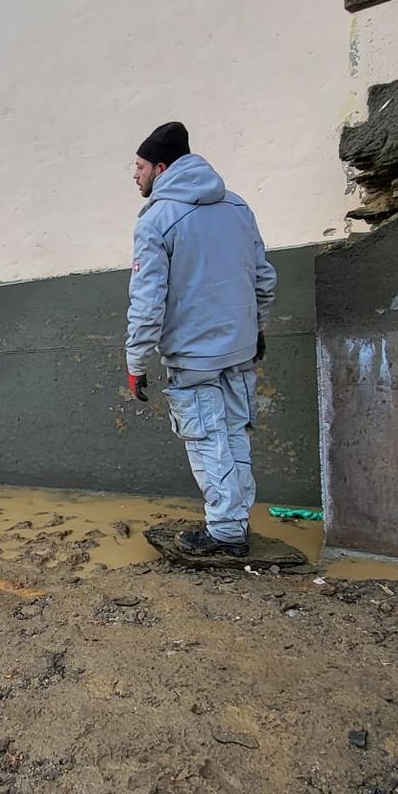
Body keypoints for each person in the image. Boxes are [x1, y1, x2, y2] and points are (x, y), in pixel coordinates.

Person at [124, 121, 277, 559]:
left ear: (161, 166)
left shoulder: (156, 220)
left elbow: (147, 301)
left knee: (208, 440)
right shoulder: (237, 206)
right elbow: (264, 277)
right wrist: (259, 327)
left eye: (138, 167)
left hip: (194, 357)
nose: (134, 175)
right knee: (233, 434)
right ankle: (235, 521)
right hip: (240, 347)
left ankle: (226, 533)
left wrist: (136, 363)